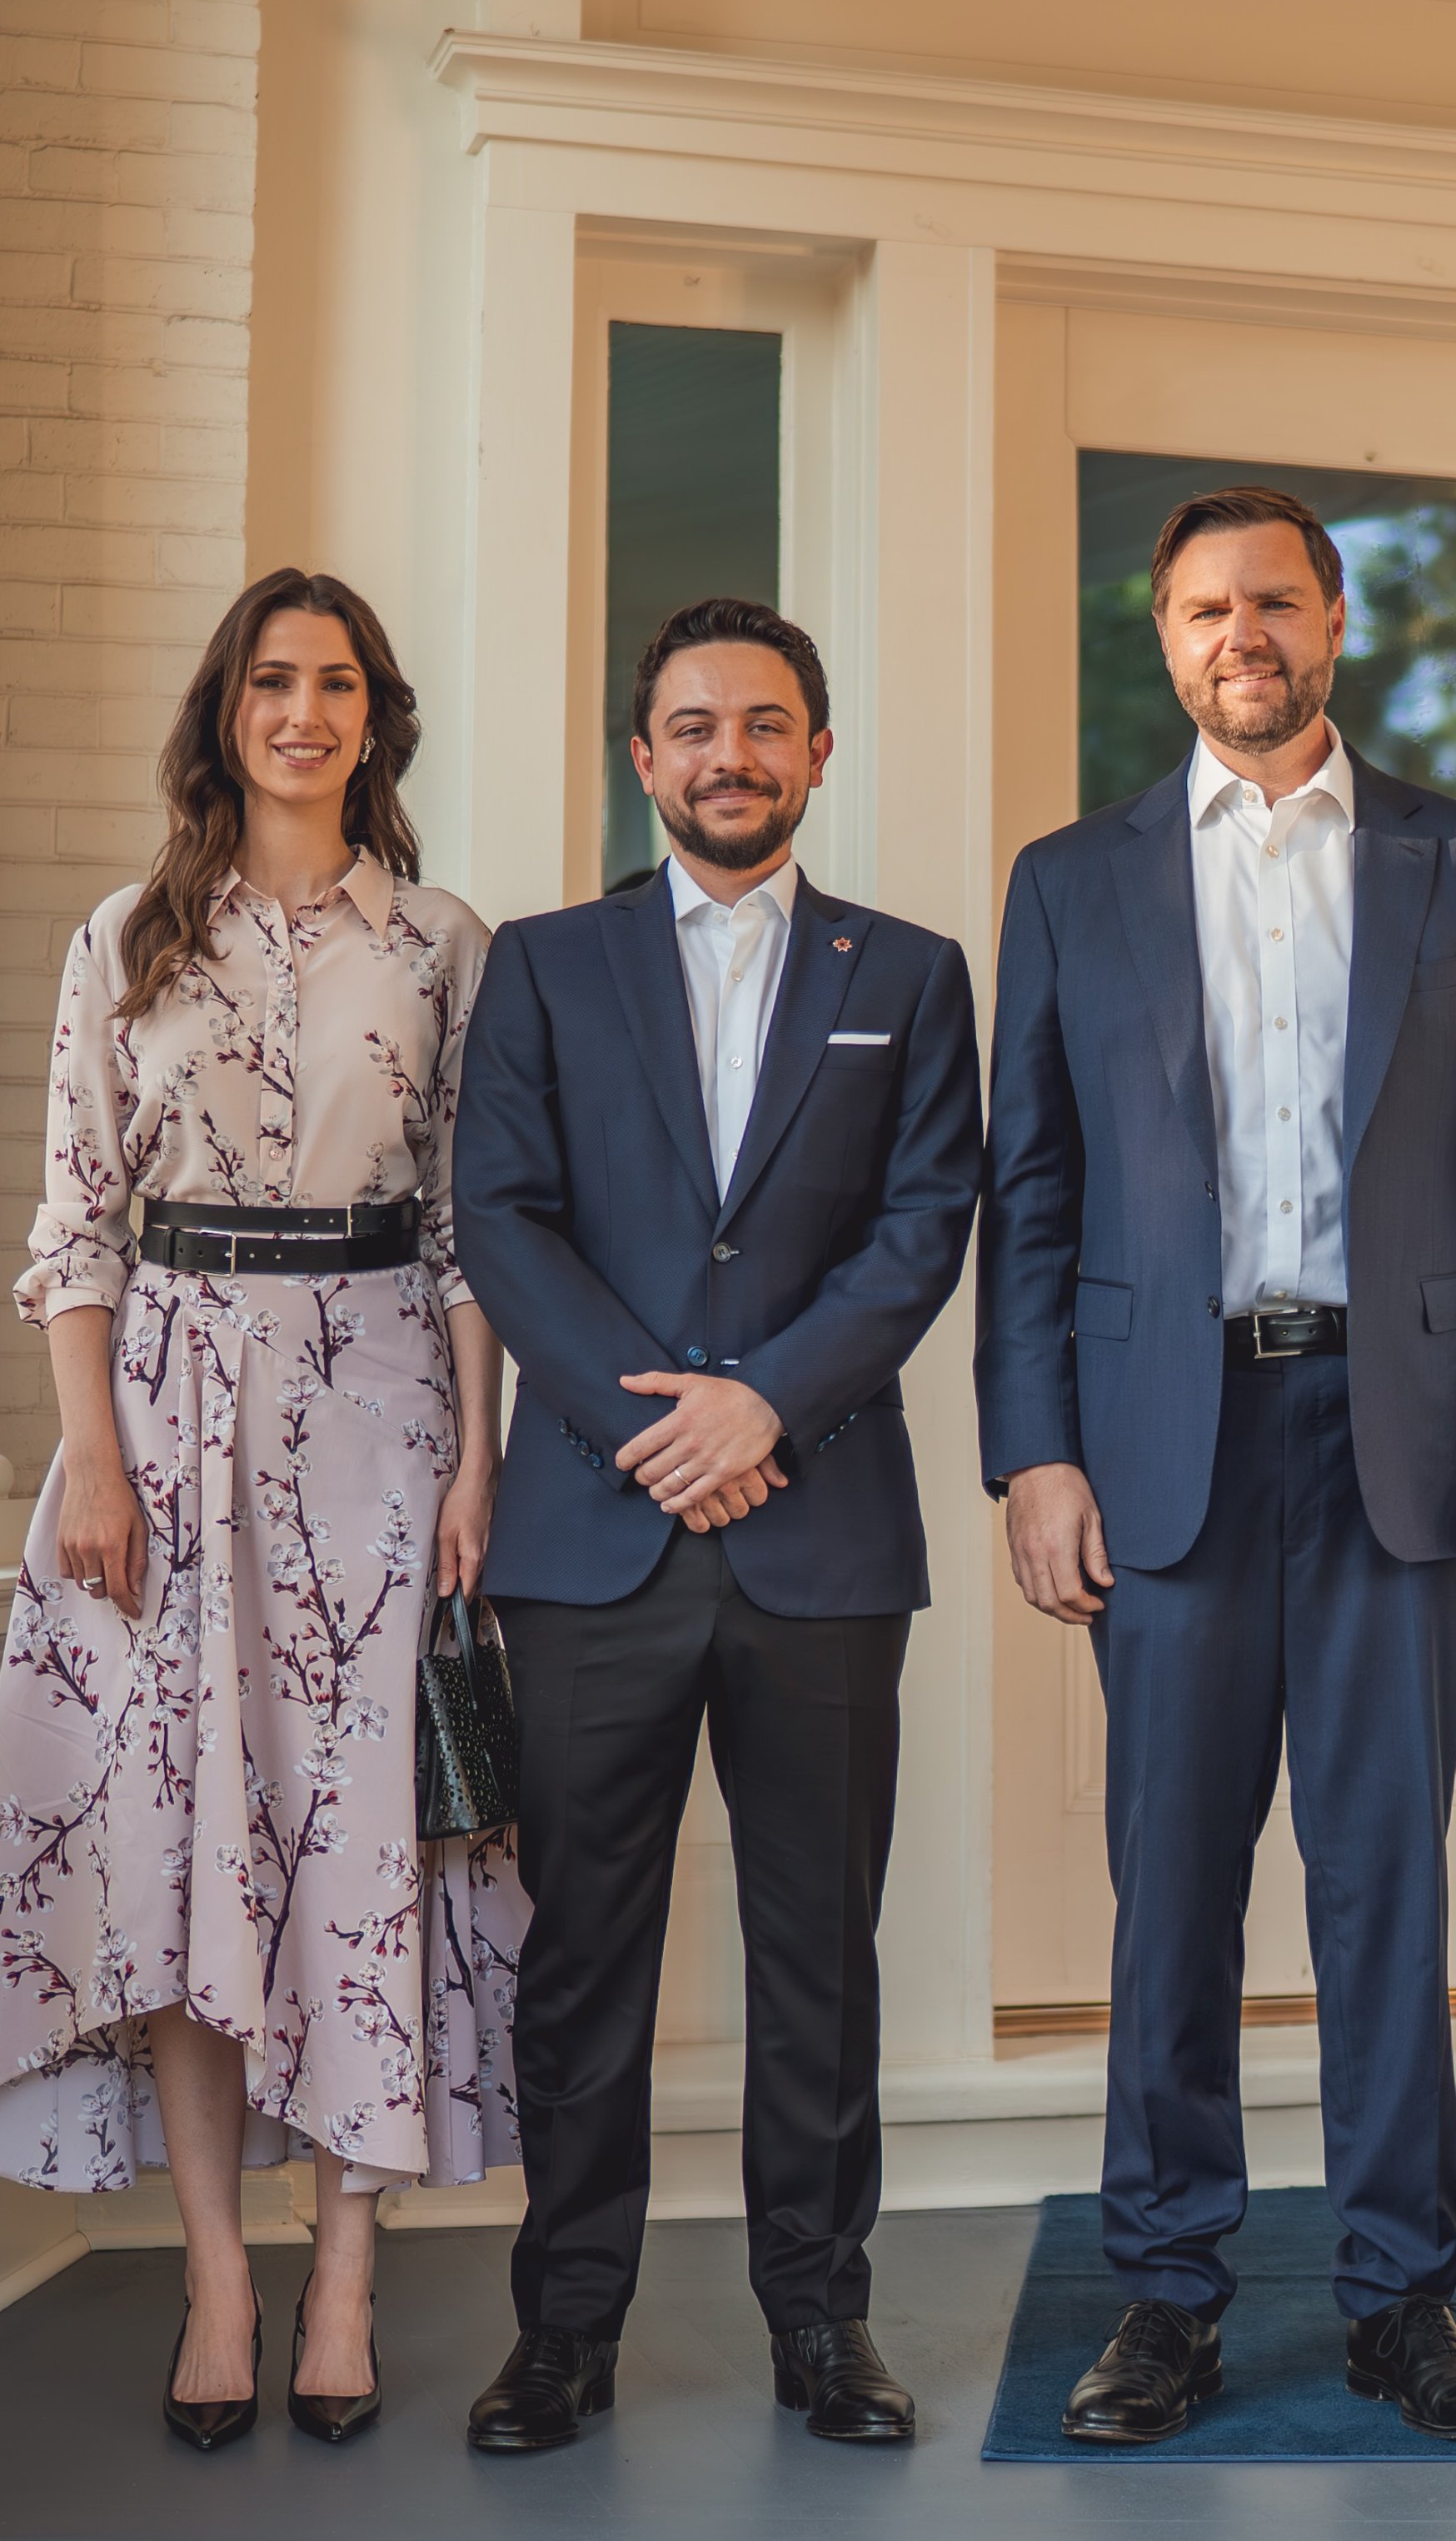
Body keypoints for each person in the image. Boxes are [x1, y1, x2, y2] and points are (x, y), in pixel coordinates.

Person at [979, 485, 1456, 2444]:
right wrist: (1031, 1455)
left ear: (1331, 618)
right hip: (1162, 1444)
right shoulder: (1069, 881)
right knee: (1168, 1887)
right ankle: (1164, 2296)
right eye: (1197, 608)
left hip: (1394, 1436)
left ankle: (1403, 2299)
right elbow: (1029, 1193)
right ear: (1162, 640)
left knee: (1380, 1882)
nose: (1235, 632)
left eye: (1268, 599)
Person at [0, 567, 519, 2453]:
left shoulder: (445, 943)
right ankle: (216, 2276)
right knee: (183, 1844)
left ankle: (341, 2272)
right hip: (164, 1425)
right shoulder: (124, 936)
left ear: (375, 719)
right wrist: (91, 1460)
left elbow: (467, 1228)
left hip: (380, 1421)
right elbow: (72, 1225)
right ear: (226, 710)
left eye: (336, 683)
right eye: (273, 680)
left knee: (361, 1851)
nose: (303, 712)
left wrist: (479, 1460)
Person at [451, 597, 981, 2454]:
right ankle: (564, 2330)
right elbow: (503, 1216)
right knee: (582, 1953)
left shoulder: (908, 972)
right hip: (593, 1538)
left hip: (819, 1535)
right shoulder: (542, 965)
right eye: (694, 726)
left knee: (818, 1953)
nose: (729, 755)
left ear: (817, 753)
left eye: (765, 725)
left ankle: (822, 2322)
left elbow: (923, 1224)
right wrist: (656, 1429)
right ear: (643, 757)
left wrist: (768, 1404)